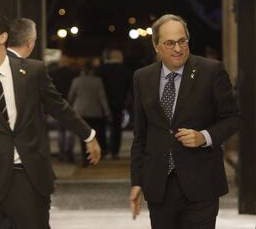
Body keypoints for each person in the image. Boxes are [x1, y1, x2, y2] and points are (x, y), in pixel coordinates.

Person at [0, 8, 101, 229]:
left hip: (29, 181)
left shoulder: (33, 72)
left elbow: (59, 107)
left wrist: (88, 135)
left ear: (2, 37)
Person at [129, 14, 241, 229]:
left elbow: (233, 118)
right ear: (156, 46)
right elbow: (141, 135)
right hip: (159, 186)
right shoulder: (142, 78)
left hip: (201, 183)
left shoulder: (211, 71)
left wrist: (204, 137)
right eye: (170, 43)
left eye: (182, 41)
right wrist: (137, 181)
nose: (178, 49)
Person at [68, 61, 111, 167]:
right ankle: (95, 157)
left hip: (80, 112)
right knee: (95, 136)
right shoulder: (98, 81)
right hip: (95, 112)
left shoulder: (76, 81)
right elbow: (102, 98)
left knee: (84, 137)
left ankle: (85, 159)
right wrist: (107, 112)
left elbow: (70, 97)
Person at [95, 49, 130, 160]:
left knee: (101, 128)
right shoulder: (125, 70)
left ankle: (103, 150)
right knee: (116, 128)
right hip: (118, 103)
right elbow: (129, 88)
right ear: (120, 57)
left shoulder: (100, 70)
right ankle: (115, 151)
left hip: (101, 104)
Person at [48, 55, 80, 163]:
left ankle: (61, 153)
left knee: (60, 131)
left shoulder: (53, 74)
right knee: (71, 130)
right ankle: (69, 152)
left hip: (57, 105)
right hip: (71, 104)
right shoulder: (74, 74)